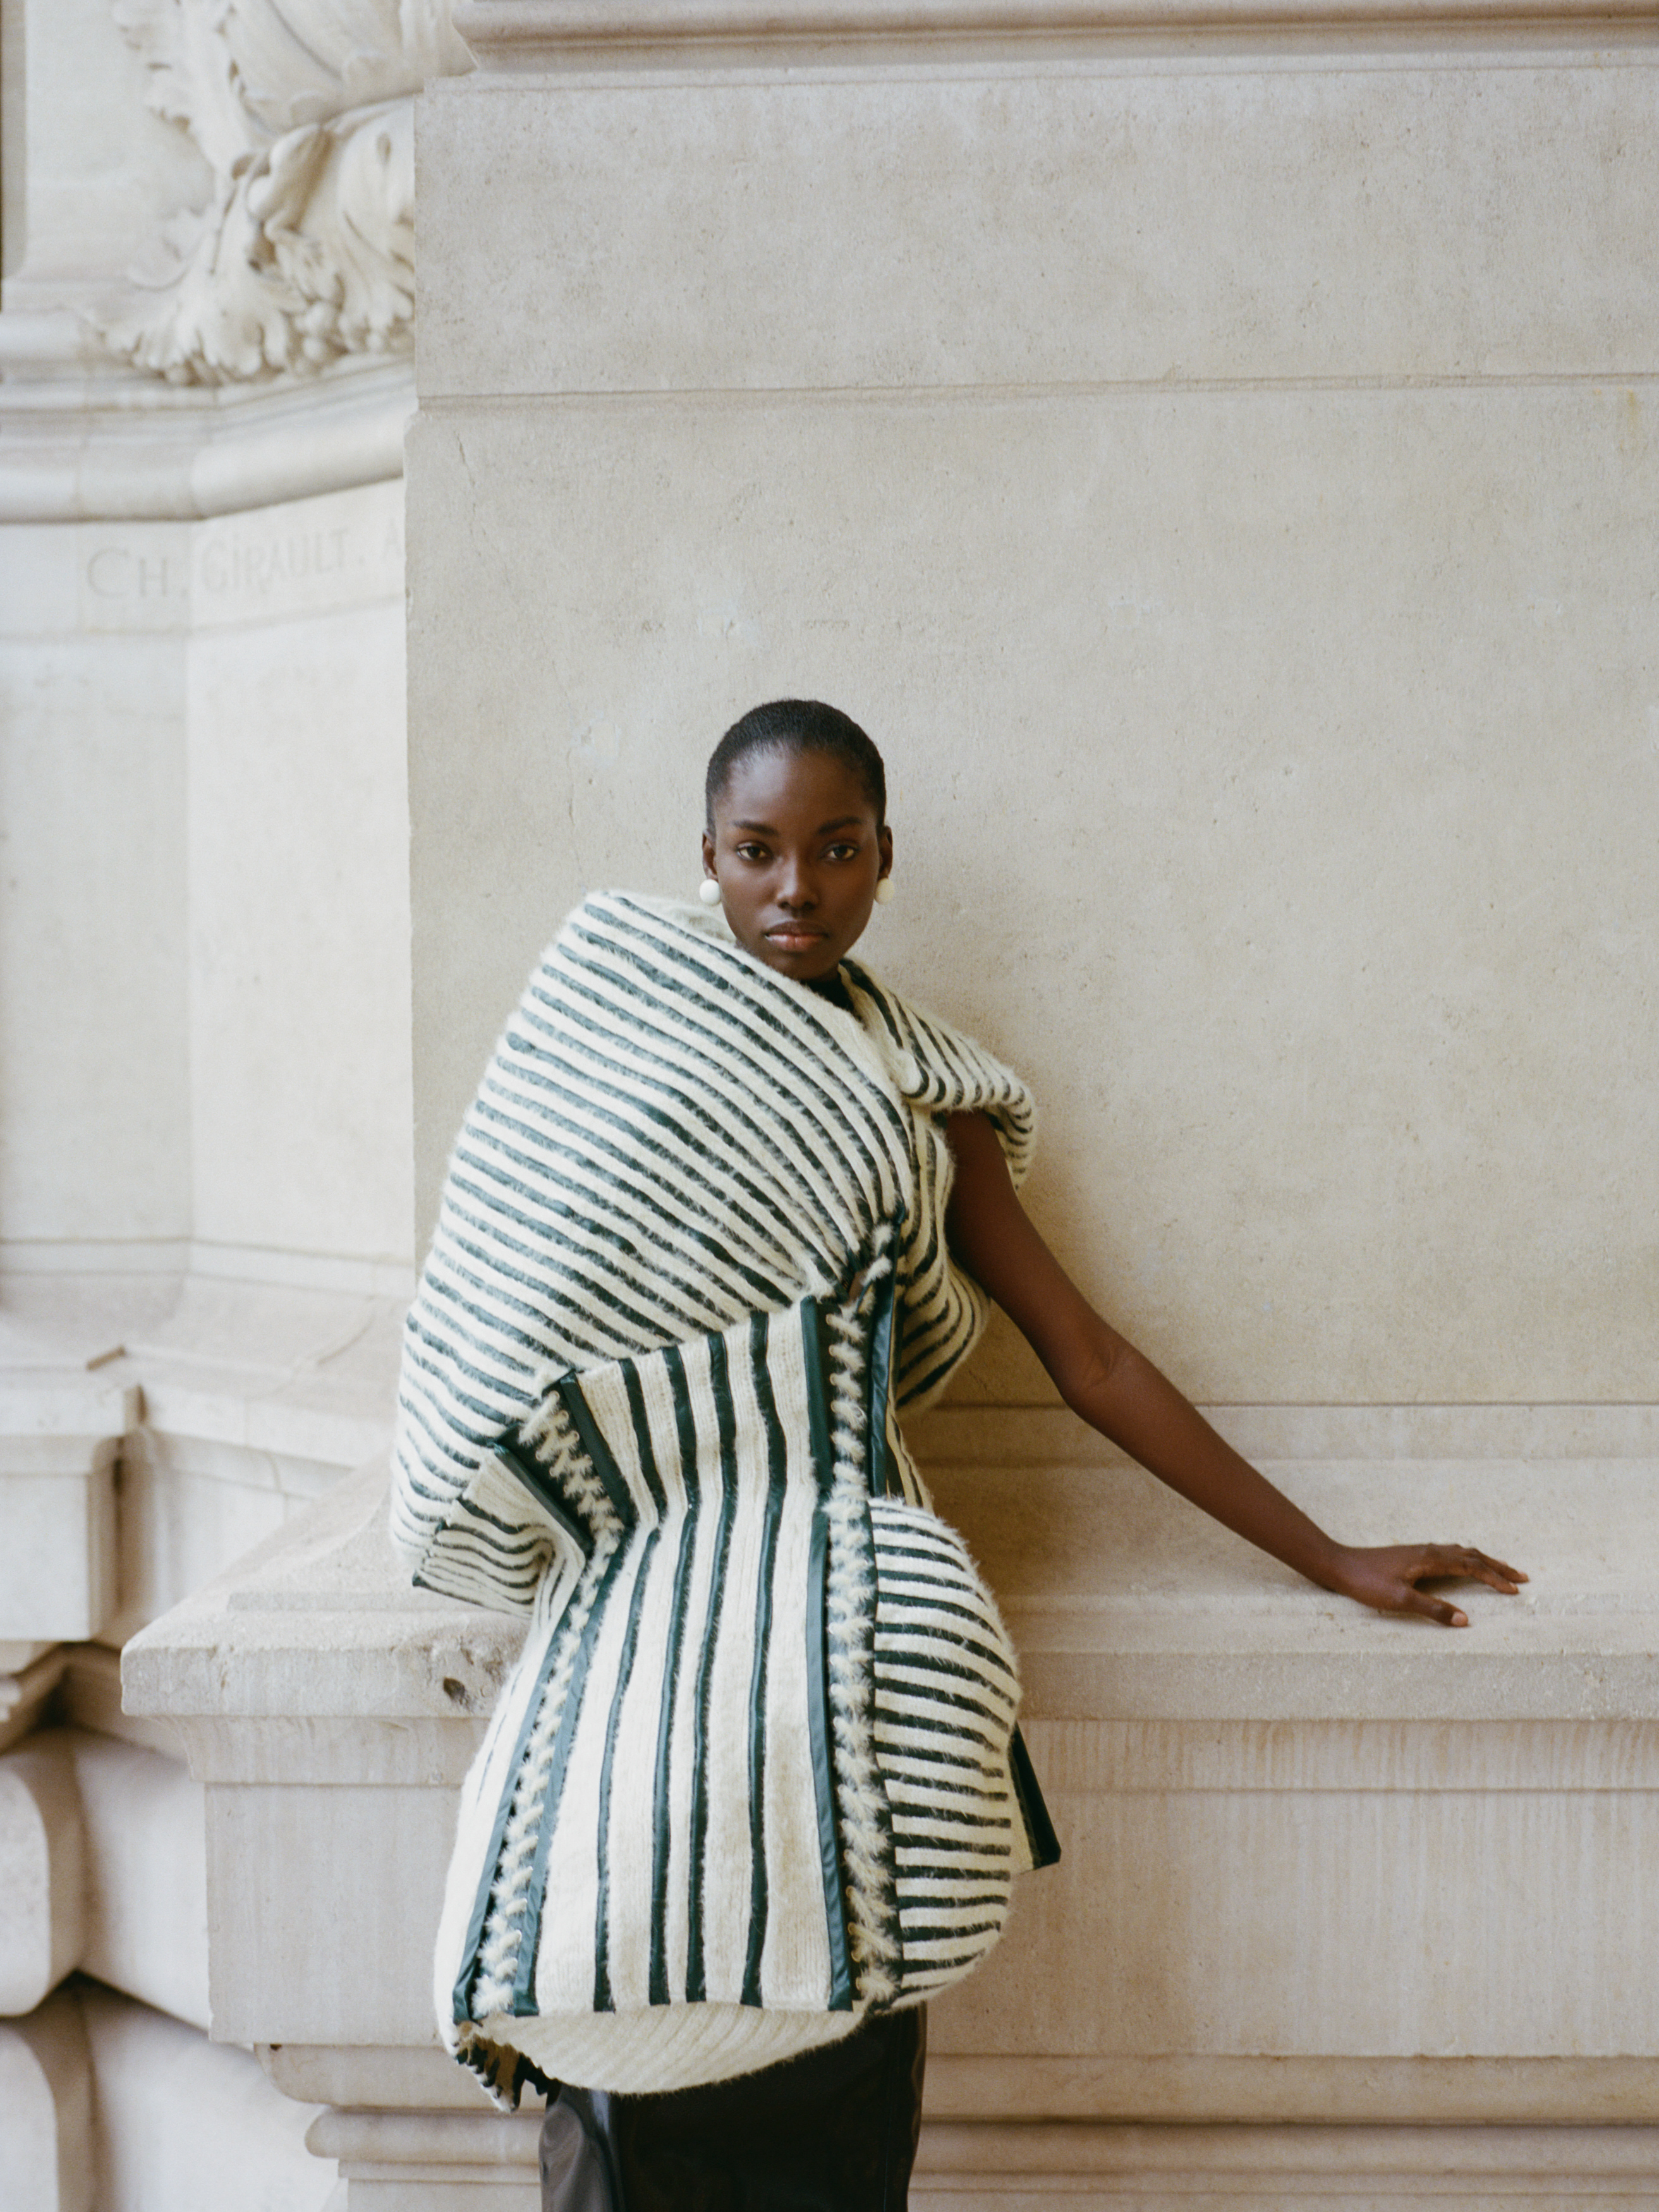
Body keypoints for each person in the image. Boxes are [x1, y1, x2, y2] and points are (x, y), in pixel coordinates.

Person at [392, 699, 1525, 2212]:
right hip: (633, 1677)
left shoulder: (920, 1095)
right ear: (705, 858)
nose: (794, 886)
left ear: (881, 857)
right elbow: (484, 1335)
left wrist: (1326, 1553)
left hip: (844, 1683)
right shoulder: (605, 1022)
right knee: (628, 2081)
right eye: (755, 851)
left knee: (838, 2110)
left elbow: (1090, 1358)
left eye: (834, 848)